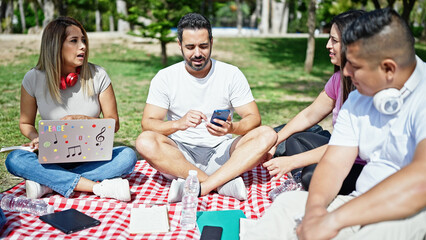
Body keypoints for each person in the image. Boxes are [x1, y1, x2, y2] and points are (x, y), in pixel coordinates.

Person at [244, 8, 426, 240]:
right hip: (357, 202)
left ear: (388, 68)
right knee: (288, 205)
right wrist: (315, 211)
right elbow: (333, 163)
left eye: (355, 66)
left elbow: (420, 182)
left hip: (412, 212)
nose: (347, 73)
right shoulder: (360, 95)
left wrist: (334, 220)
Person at [135, 13, 276, 202]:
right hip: (180, 156)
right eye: (190, 47)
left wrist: (231, 128)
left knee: (267, 134)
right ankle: (220, 184)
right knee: (145, 141)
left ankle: (201, 186)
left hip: (222, 153)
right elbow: (148, 124)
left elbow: (253, 118)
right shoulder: (165, 77)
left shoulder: (231, 74)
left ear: (211, 42)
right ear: (179, 45)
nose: (197, 53)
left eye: (203, 46)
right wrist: (179, 124)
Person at [5, 17, 138, 201]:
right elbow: (25, 122)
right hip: (52, 158)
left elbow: (113, 123)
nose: (83, 46)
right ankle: (97, 187)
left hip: (92, 159)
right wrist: (36, 137)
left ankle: (48, 183)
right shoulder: (33, 78)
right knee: (14, 159)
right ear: (55, 45)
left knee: (127, 155)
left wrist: (82, 121)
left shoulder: (98, 75)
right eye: (74, 41)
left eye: (83, 40)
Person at [264, 10, 365, 194]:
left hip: (362, 165)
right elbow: (310, 114)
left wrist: (292, 162)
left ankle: (301, 178)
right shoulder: (338, 80)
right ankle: (299, 178)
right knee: (295, 140)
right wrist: (274, 141)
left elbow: (348, 146)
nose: (327, 45)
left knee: (312, 176)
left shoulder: (369, 88)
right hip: (338, 152)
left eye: (334, 40)